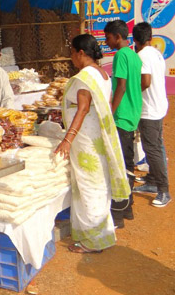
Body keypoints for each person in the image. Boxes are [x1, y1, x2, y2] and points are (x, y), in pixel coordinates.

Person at [54, 34, 131, 253]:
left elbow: (83, 108)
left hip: (85, 140)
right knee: (97, 185)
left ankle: (93, 242)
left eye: (72, 52)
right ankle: (98, 235)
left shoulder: (85, 77)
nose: (71, 58)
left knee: (89, 186)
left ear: (81, 52)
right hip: (94, 137)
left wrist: (68, 139)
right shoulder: (101, 73)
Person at [104, 19, 142, 228]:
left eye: (108, 38)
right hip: (132, 114)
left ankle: (118, 213)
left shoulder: (120, 55)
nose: (107, 42)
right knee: (128, 163)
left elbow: (121, 87)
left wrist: (110, 111)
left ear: (117, 37)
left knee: (119, 166)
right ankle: (128, 209)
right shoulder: (134, 56)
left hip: (122, 116)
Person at [132, 22, 171, 207]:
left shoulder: (142, 56)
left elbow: (145, 82)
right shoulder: (156, 52)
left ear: (135, 40)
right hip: (158, 105)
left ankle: (164, 190)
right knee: (155, 145)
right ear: (149, 38)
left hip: (149, 110)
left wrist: (131, 93)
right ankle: (153, 181)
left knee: (153, 149)